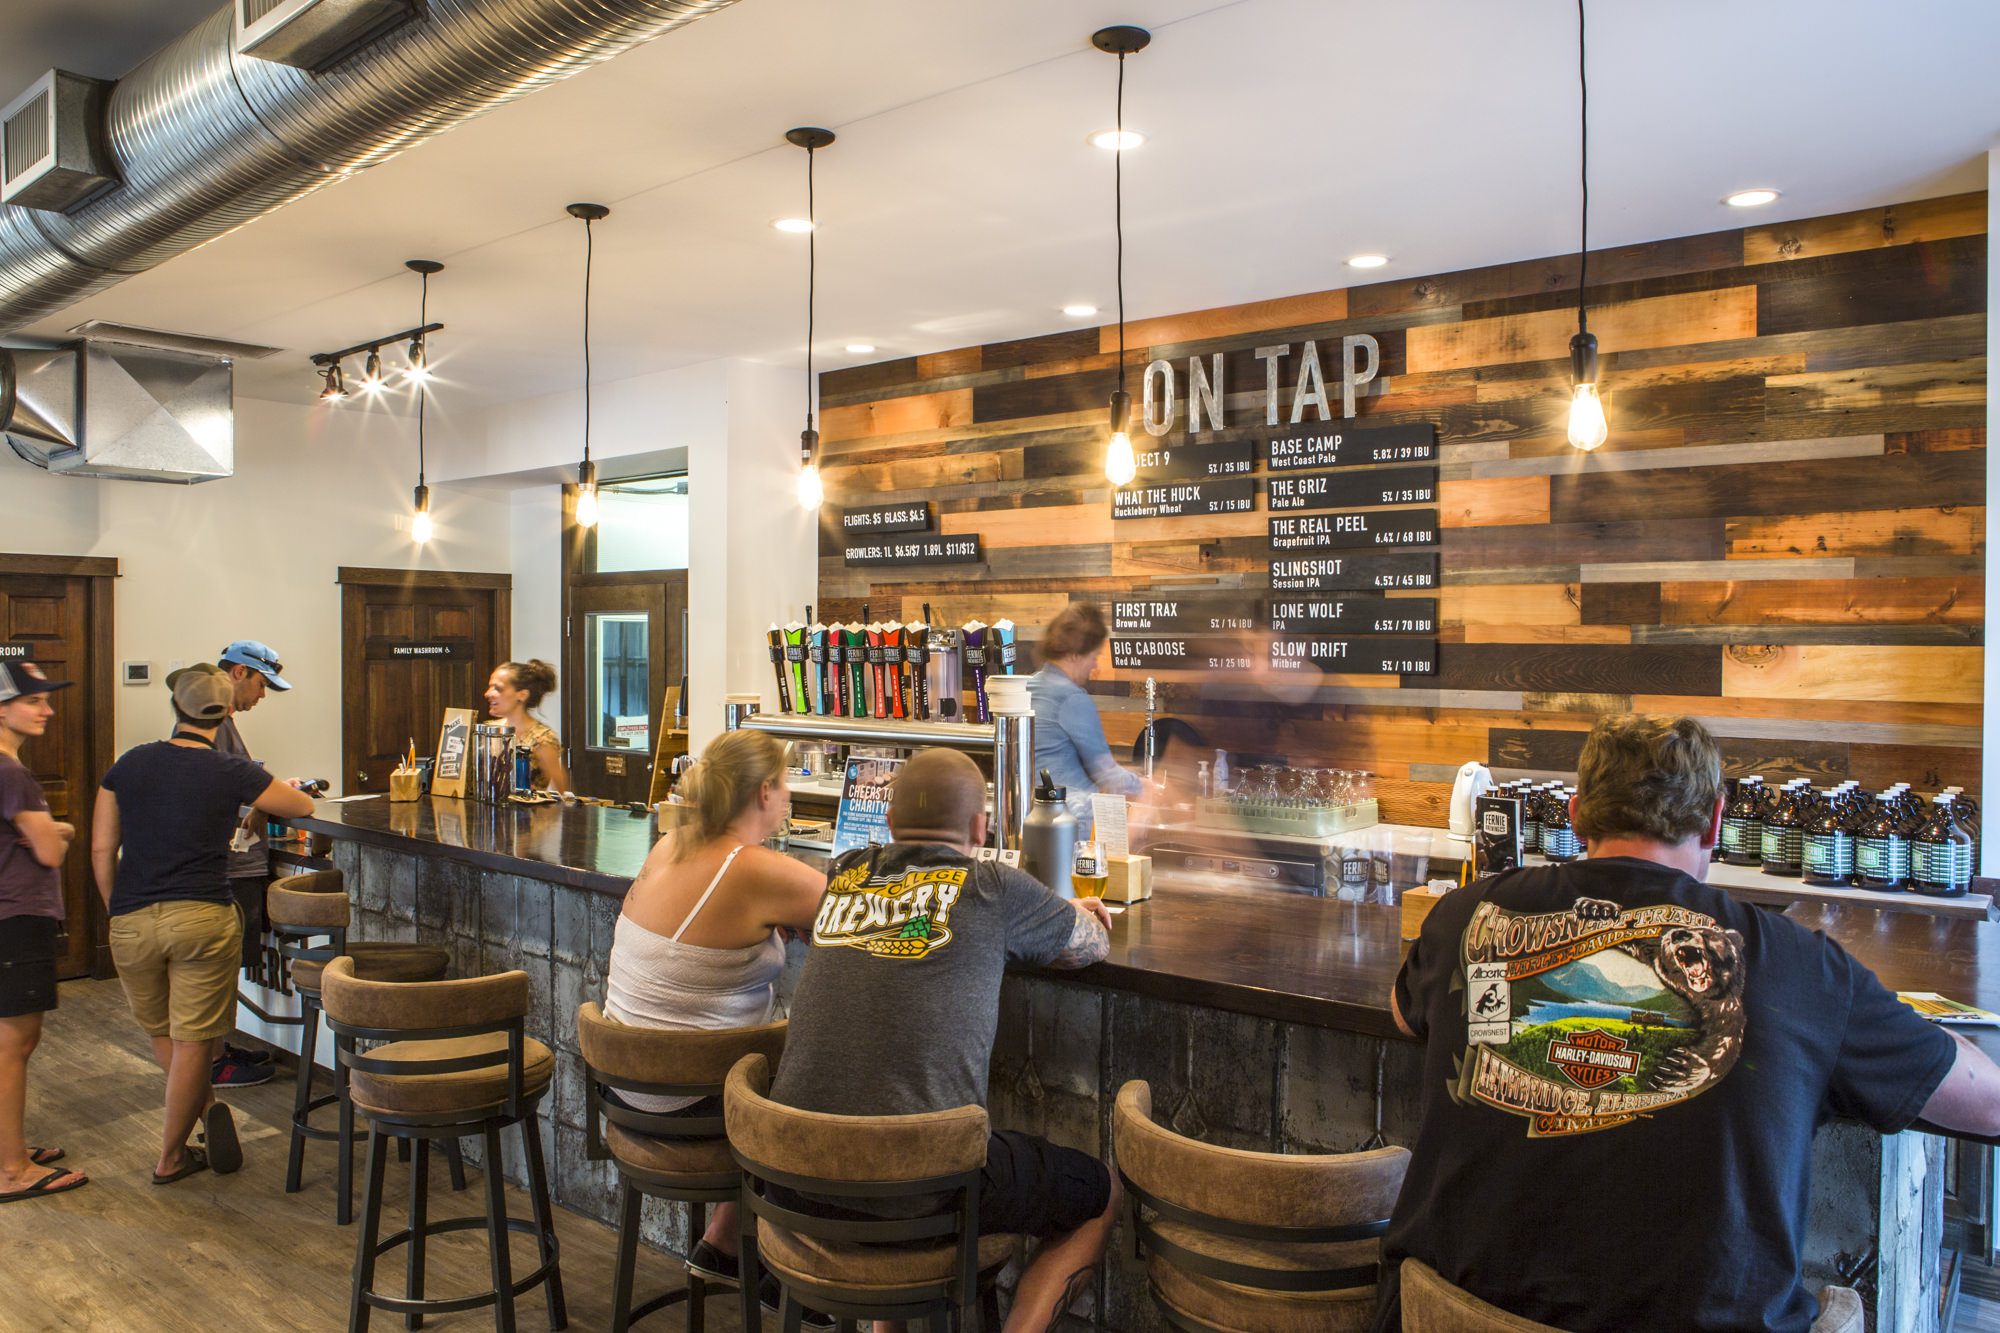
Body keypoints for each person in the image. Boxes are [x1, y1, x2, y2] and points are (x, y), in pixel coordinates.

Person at [1374, 714, 2000, 1333]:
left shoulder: (1462, 916)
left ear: (1574, 815)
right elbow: (1988, 1104)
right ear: (1716, 821)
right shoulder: (1801, 968)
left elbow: (1405, 1013)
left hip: (1445, 1313)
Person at [770, 747, 1119, 1333]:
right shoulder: (993, 887)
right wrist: (1057, 910)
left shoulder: (842, 874)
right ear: (981, 828)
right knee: (1102, 1193)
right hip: (921, 1195)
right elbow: (1091, 944)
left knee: (900, 1126)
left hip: (794, 1187)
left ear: (887, 821)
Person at [604, 729, 827, 1298]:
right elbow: (877, 911)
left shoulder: (669, 844)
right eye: (785, 784)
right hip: (688, 1106)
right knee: (826, 1065)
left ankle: (726, 1242)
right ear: (762, 794)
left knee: (761, 1054)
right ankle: (816, 1274)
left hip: (626, 1091)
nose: (790, 796)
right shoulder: (755, 870)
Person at [91, 665, 317, 1185]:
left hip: (132, 917)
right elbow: (301, 804)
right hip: (203, 916)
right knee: (195, 1041)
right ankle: (170, 1156)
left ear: (176, 709)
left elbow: (103, 847)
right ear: (227, 712)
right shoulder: (230, 771)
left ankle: (205, 1104)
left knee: (164, 1032)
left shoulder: (129, 765)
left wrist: (117, 909)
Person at [0, 661, 88, 1203]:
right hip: (16, 916)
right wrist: (58, 829)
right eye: (34, 701)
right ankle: (12, 1169)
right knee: (16, 1043)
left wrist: (42, 832)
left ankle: (10, 1147)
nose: (47, 710)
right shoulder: (12, 773)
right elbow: (52, 850)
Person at [213, 638, 296, 1087]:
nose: (261, 697)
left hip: (235, 860)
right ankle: (214, 1061)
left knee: (225, 969)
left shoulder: (218, 725)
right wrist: (275, 796)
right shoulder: (216, 725)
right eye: (262, 685)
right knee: (221, 969)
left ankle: (218, 1051)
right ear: (238, 674)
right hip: (233, 865)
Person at [1027, 604, 1145, 817]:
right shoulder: (1071, 697)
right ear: (1074, 654)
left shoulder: (1032, 685)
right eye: (1094, 656)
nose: (1094, 666)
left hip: (1033, 815)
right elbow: (1107, 774)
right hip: (1069, 821)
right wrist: (1147, 787)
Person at [484, 659, 570, 794]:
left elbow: (563, 793)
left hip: (528, 814)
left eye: (498, 688)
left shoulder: (542, 738)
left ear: (522, 695)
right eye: (490, 687)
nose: (488, 694)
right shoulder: (488, 730)